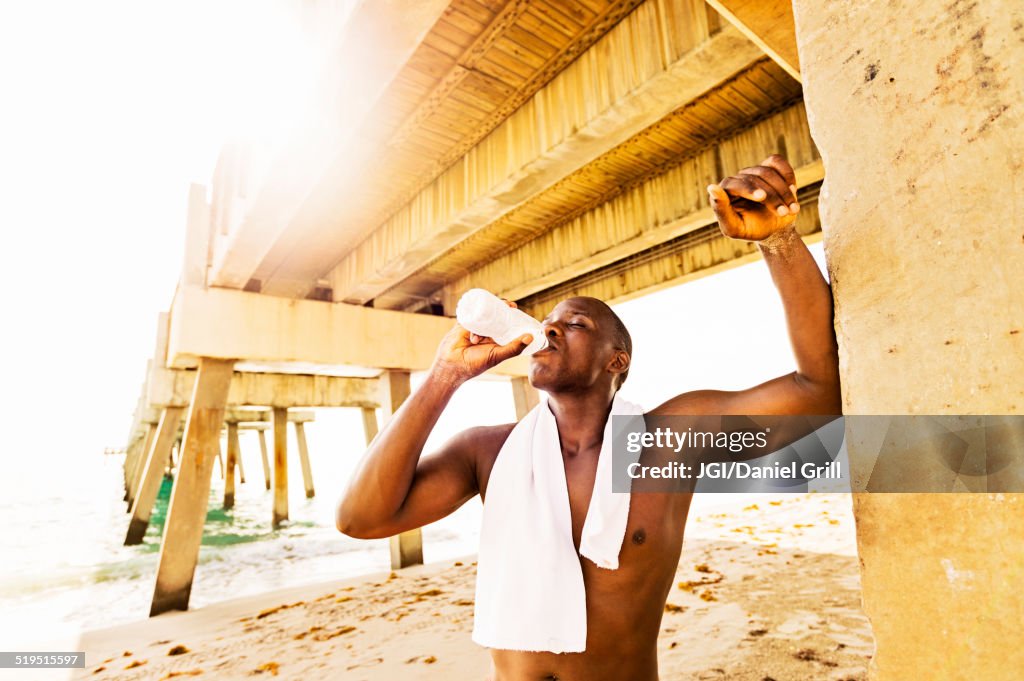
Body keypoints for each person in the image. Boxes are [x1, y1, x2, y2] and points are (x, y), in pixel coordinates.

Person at [335, 155, 841, 681]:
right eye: (547, 323)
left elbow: (818, 397)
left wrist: (778, 242)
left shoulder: (670, 440)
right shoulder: (486, 452)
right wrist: (444, 377)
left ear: (616, 360)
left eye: (574, 324)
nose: (548, 330)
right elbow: (360, 519)